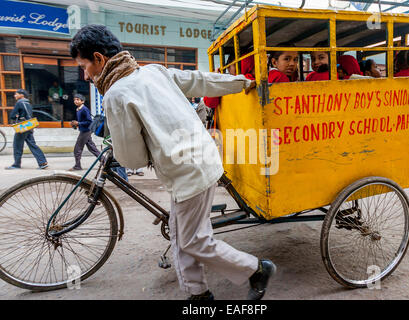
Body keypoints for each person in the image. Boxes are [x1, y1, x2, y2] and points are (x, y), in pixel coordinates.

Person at [70, 24, 275, 300]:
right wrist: (241, 82)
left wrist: (123, 146)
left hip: (187, 172)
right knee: (181, 235)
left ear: (99, 59)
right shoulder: (153, 71)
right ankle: (197, 293)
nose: (85, 75)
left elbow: (133, 158)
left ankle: (256, 269)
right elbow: (198, 80)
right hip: (203, 159)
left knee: (192, 240)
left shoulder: (116, 94)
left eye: (84, 66)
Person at [6, 89, 48, 170]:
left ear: (22, 95)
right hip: (29, 126)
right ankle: (42, 162)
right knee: (32, 145)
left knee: (17, 145)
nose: (15, 96)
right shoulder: (28, 103)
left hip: (22, 127)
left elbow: (12, 115)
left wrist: (16, 116)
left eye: (16, 94)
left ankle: (16, 165)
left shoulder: (19, 103)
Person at [69, 93, 101, 171]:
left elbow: (89, 121)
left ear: (82, 101)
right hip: (84, 131)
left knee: (77, 149)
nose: (75, 101)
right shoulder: (78, 109)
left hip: (85, 132)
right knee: (92, 149)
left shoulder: (84, 109)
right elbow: (83, 121)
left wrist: (78, 123)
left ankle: (77, 166)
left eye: (77, 99)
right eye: (74, 100)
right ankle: (104, 161)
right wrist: (76, 124)